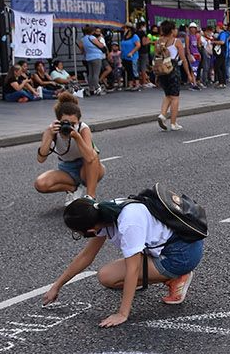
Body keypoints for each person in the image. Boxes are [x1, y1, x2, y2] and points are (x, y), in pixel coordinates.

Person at [44, 196, 205, 327]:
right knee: (106, 276)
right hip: (166, 247)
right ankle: (155, 275)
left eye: (78, 233)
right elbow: (86, 256)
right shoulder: (103, 212)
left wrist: (122, 314)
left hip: (182, 255)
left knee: (128, 273)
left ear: (90, 230)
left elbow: (133, 269)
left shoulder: (128, 222)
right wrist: (56, 286)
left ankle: (176, 277)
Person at [34, 91, 105, 204]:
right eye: (65, 123)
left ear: (78, 122)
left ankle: (90, 198)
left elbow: (91, 158)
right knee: (40, 184)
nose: (69, 126)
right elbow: (41, 159)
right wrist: (49, 136)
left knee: (93, 155)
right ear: (58, 121)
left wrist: (77, 137)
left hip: (88, 169)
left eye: (73, 124)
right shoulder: (52, 130)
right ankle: (73, 189)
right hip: (67, 169)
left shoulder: (83, 129)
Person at [155, 19, 190, 131]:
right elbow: (183, 59)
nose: (176, 31)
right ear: (171, 31)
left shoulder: (157, 42)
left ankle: (162, 114)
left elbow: (157, 57)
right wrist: (189, 74)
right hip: (173, 69)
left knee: (167, 95)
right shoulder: (176, 42)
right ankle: (173, 123)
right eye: (175, 29)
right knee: (175, 97)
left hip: (161, 70)